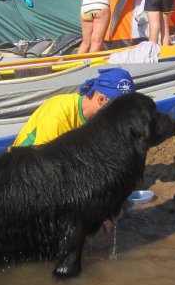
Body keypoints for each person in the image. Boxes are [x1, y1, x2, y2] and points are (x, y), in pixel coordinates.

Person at [11, 67, 136, 233]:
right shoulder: (58, 116)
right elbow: (45, 174)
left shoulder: (101, 121)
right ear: (101, 100)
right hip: (24, 177)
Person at [12, 67, 135, 148]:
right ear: (102, 100)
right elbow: (42, 166)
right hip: (23, 170)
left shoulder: (98, 118)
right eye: (121, 108)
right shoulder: (57, 117)